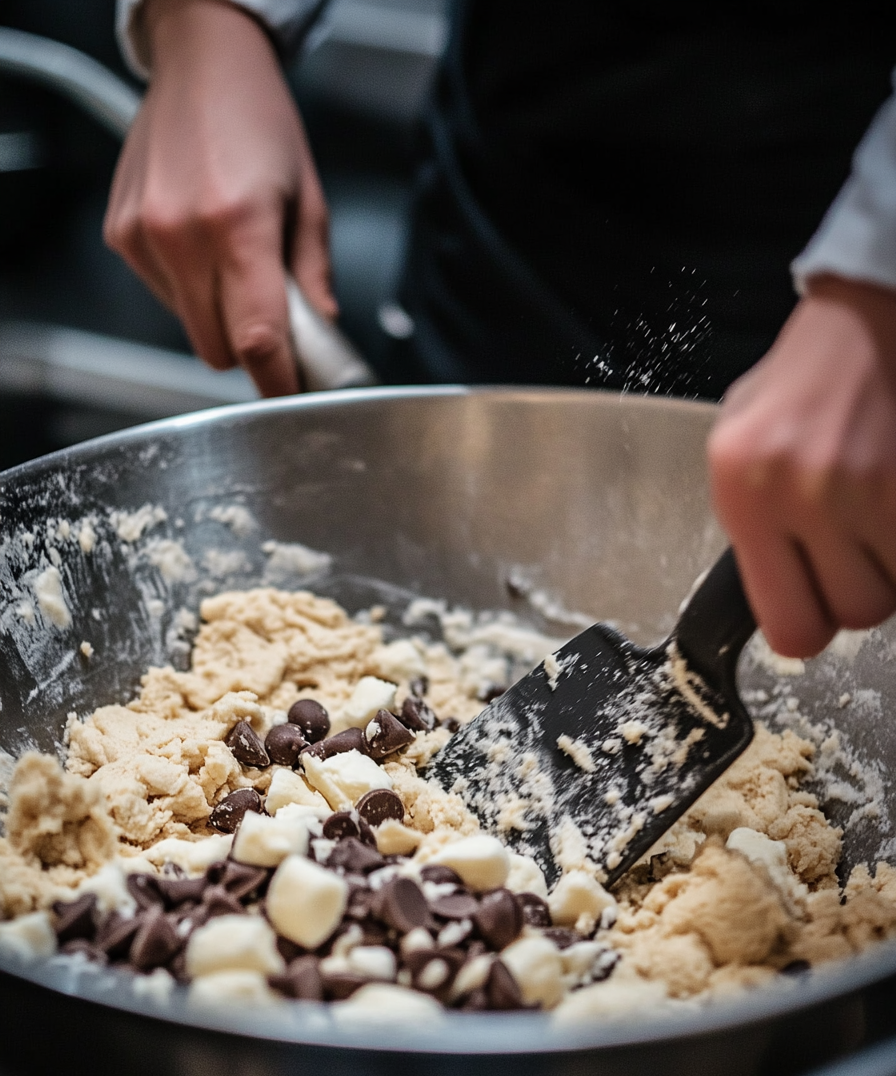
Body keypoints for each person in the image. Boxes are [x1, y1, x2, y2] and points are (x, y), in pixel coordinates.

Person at [106, 0, 896, 660]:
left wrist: (878, 286)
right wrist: (206, 23)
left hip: (830, 236)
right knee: (441, 531)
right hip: (514, 201)